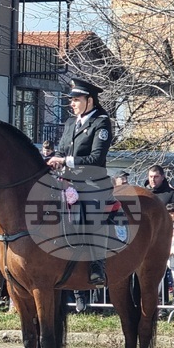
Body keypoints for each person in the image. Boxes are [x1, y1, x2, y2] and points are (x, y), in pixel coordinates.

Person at [48, 77, 113, 287]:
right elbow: (61, 149)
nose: (72, 103)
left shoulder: (101, 122)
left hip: (92, 183)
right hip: (66, 181)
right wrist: (53, 161)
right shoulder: (70, 123)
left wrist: (65, 160)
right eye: (72, 99)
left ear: (90, 100)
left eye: (76, 99)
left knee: (92, 213)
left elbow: (96, 158)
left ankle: (97, 266)